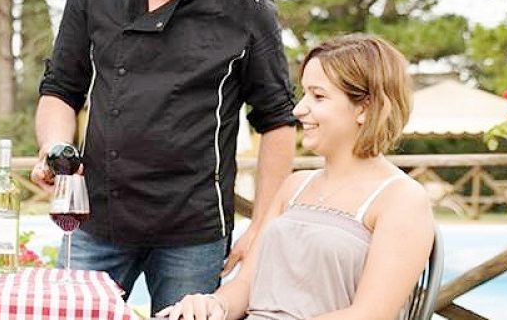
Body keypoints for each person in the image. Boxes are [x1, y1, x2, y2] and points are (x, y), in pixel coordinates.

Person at [32, 0, 297, 311]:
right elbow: (61, 88)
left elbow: (278, 122)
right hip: (95, 220)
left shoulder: (247, 6)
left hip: (193, 234)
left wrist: (261, 227)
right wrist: (54, 145)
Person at [158, 34, 435, 320]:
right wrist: (214, 305)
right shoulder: (294, 186)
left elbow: (371, 314)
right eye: (303, 94)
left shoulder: (401, 199)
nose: (298, 109)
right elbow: (244, 285)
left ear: (364, 108)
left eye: (318, 96)